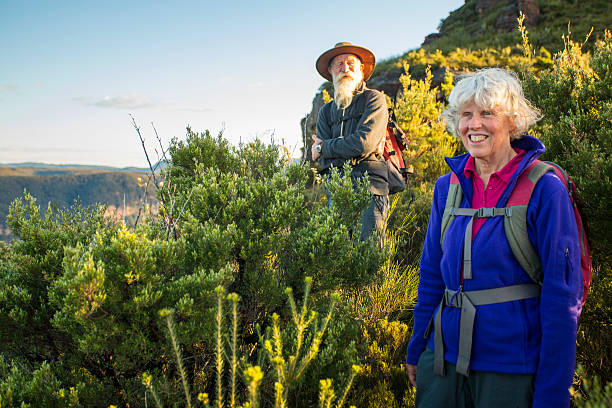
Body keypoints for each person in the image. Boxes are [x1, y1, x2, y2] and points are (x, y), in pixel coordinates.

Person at [404, 68, 583, 408]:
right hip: (443, 363)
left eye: (488, 113)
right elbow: (431, 277)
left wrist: (553, 393)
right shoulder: (448, 188)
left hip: (512, 371)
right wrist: (417, 349)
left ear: (512, 121)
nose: (474, 125)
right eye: (466, 115)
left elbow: (563, 299)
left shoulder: (544, 188)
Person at [311, 42, 389, 241]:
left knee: (368, 258)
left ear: (361, 68)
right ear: (330, 70)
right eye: (339, 64)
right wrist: (336, 150)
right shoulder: (326, 111)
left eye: (350, 62)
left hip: (370, 190)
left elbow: (364, 143)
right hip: (335, 193)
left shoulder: (374, 100)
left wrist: (323, 146)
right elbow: (321, 161)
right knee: (335, 261)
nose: (345, 68)